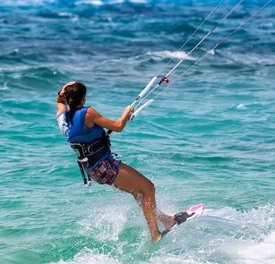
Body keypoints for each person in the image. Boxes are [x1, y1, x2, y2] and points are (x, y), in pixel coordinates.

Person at [56, 82, 189, 243]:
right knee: (148, 188)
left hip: (93, 171)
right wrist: (126, 113)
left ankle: (167, 220)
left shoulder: (63, 118)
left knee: (138, 192)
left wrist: (63, 92)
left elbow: (59, 103)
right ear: (83, 98)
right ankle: (155, 235)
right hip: (106, 167)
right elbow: (118, 126)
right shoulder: (87, 113)